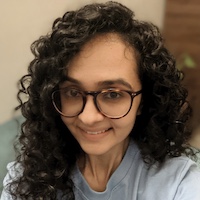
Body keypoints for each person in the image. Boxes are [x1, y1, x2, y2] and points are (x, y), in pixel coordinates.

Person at [1, 1, 200, 199]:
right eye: (72, 92)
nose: (88, 117)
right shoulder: (27, 180)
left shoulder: (179, 183)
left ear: (144, 100)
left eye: (113, 94)